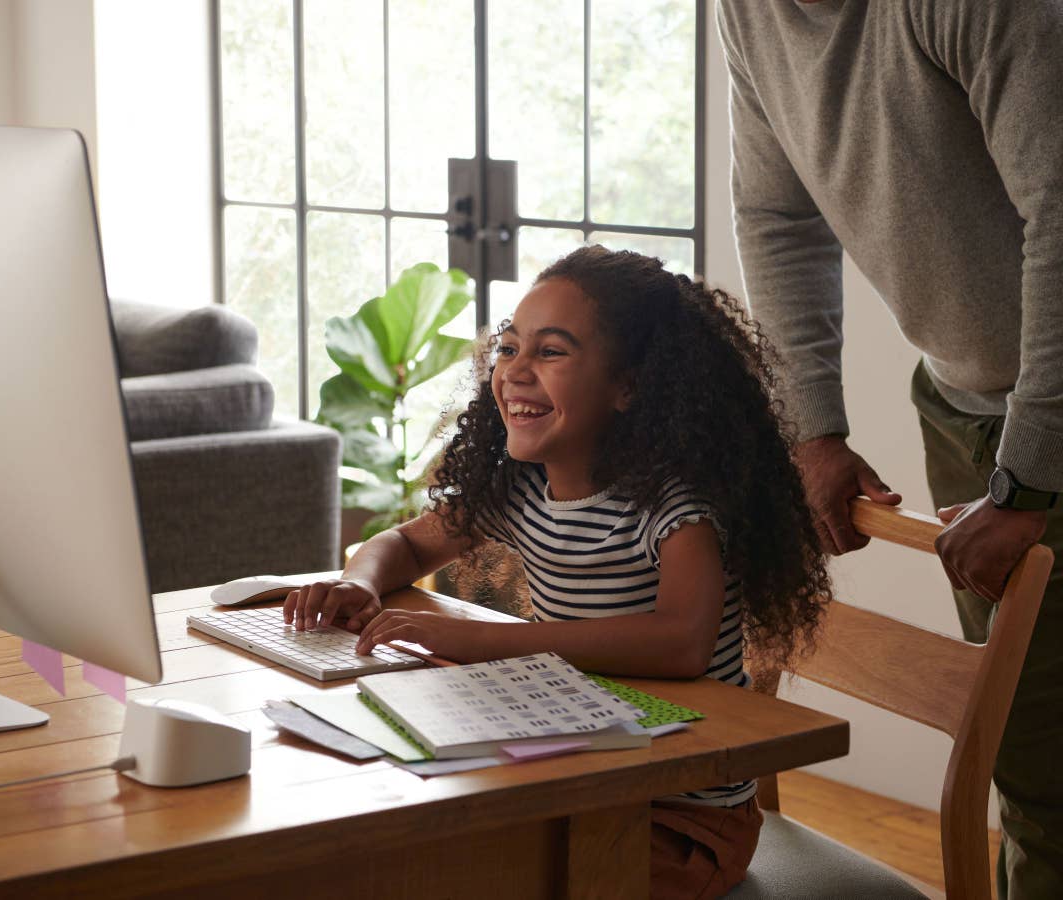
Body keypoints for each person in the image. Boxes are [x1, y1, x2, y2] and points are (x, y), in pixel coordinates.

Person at [285, 245, 833, 899]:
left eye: (551, 352)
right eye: (510, 347)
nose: (515, 371)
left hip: (681, 820)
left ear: (629, 384)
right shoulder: (518, 490)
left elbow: (680, 642)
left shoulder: (675, 508)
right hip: (574, 780)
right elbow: (402, 544)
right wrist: (361, 582)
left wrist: (478, 641)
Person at [714, 1, 1063, 896]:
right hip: (966, 399)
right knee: (1033, 768)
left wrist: (1026, 479)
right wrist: (814, 429)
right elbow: (776, 216)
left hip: (1040, 412)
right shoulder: (748, 12)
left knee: (1052, 783)